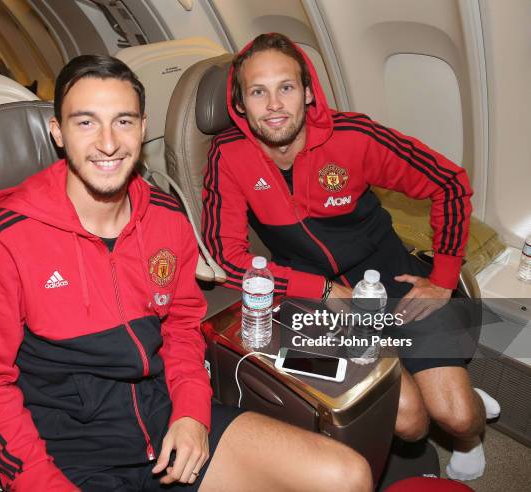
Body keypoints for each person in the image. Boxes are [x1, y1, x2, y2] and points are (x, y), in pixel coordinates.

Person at [0, 54, 371, 491]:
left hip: (162, 414)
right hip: (68, 449)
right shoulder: (7, 236)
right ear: (58, 132)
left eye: (124, 122)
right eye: (86, 123)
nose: (109, 143)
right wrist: (39, 480)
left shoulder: (167, 217)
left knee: (346, 476)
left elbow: (181, 326)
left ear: (142, 126)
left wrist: (191, 412)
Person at [202, 33, 500, 481]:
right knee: (411, 422)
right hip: (310, 298)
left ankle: (466, 416)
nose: (275, 104)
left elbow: (450, 183)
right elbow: (226, 259)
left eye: (286, 87)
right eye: (257, 91)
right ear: (240, 104)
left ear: (307, 91)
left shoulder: (354, 137)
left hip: (391, 279)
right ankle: (426, 384)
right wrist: (319, 289)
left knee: (457, 416)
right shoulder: (228, 155)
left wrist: (442, 276)